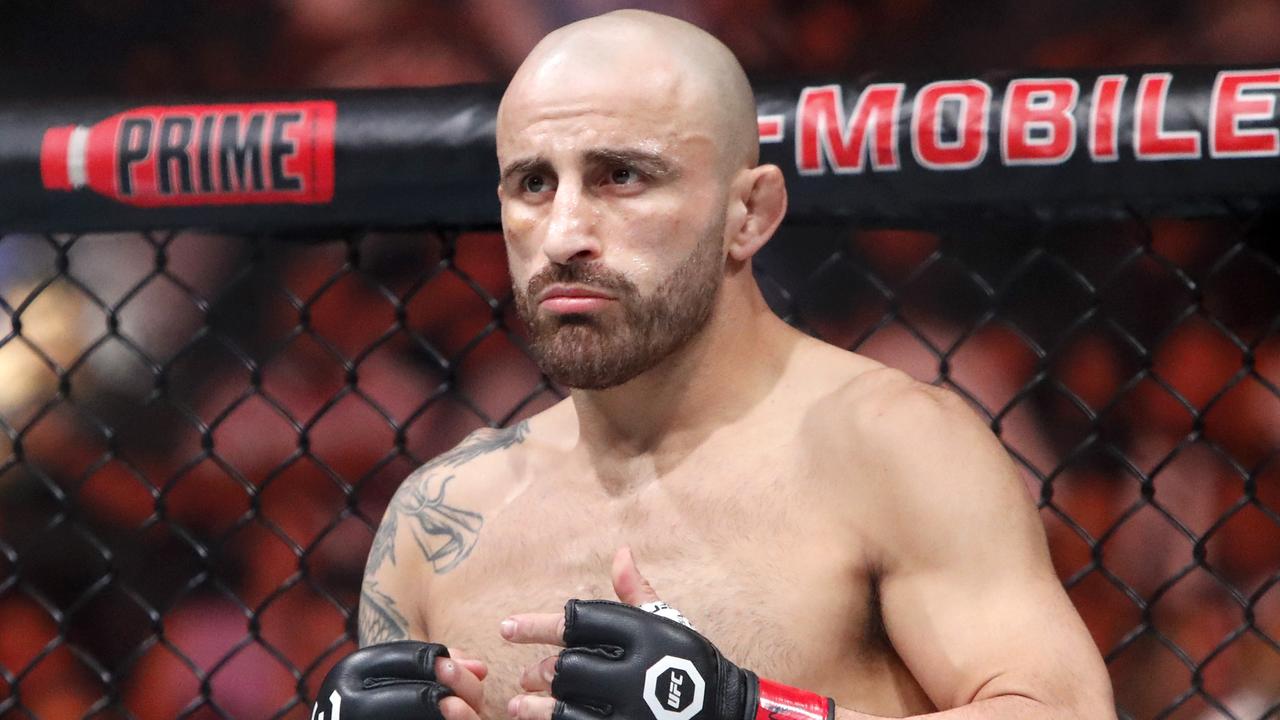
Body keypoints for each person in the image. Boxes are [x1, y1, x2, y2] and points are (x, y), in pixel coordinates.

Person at [312, 9, 1116, 720]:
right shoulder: (439, 514)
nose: (562, 235)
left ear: (750, 213)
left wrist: (753, 715)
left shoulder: (891, 446)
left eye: (621, 176)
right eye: (532, 183)